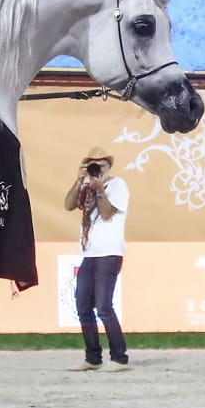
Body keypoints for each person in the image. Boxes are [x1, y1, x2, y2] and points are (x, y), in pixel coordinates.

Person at [64, 145, 130, 372]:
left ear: (109, 166)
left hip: (109, 253)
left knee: (104, 307)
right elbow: (68, 205)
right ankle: (92, 357)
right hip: (89, 253)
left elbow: (107, 213)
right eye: (92, 163)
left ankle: (119, 358)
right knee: (83, 306)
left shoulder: (118, 185)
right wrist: (78, 180)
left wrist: (100, 189)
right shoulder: (86, 186)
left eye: (101, 163)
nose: (97, 167)